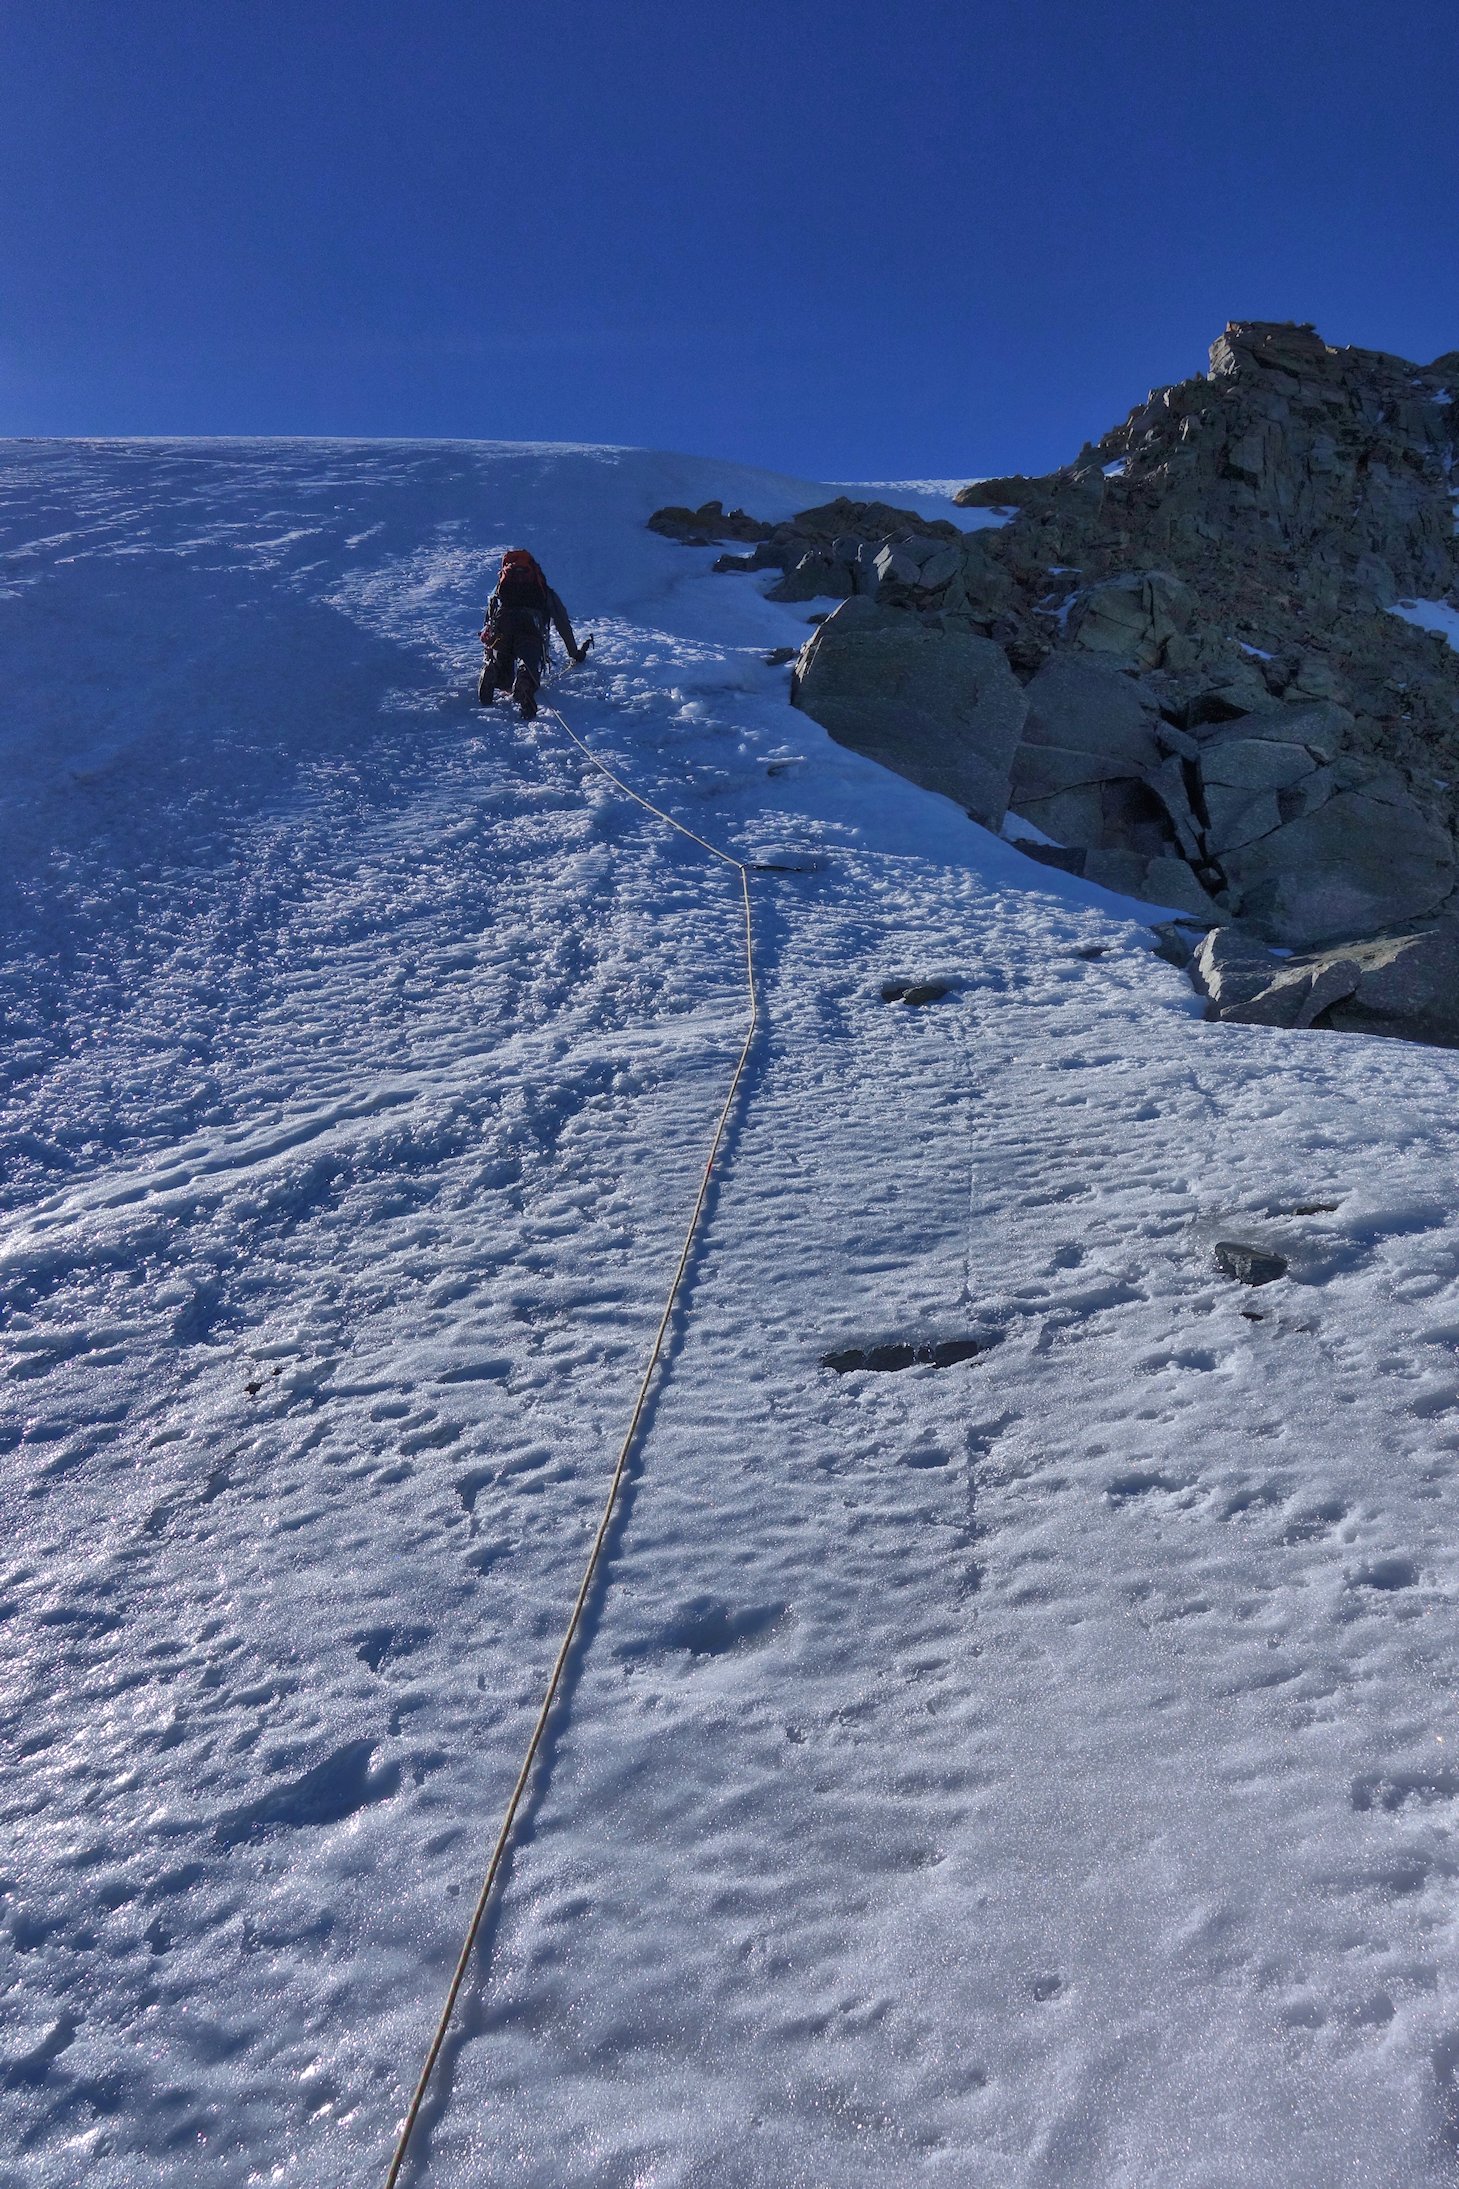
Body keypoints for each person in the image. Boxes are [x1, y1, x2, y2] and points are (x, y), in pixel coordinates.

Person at [478, 548, 587, 718]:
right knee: (528, 663)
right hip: (531, 628)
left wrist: (489, 643)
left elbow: (490, 615)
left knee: (503, 671)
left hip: (503, 626)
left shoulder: (501, 587)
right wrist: (574, 652)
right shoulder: (541, 588)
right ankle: (525, 682)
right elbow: (562, 622)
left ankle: (493, 669)